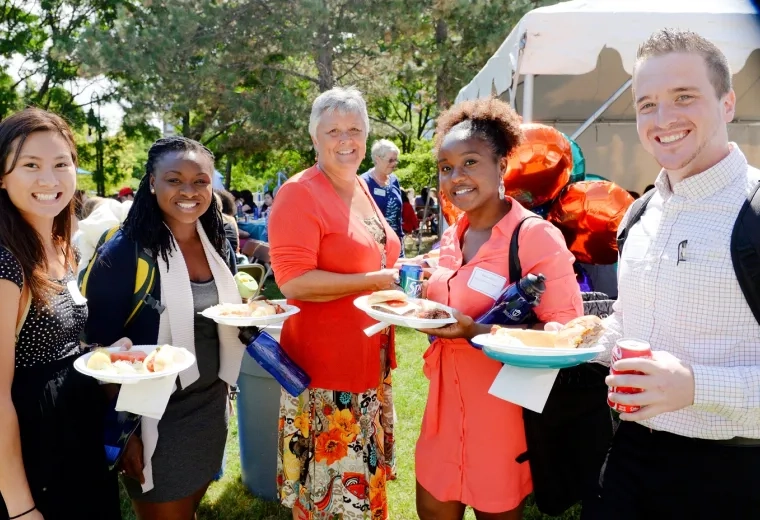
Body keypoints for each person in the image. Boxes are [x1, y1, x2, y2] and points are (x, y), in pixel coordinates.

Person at [588, 29, 760, 519]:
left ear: (727, 103)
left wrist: (694, 386)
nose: (662, 120)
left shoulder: (756, 211)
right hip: (629, 458)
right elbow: (630, 325)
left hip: (735, 476)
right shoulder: (638, 215)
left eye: (684, 97)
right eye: (647, 104)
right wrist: (581, 340)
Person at [413, 98, 583, 520]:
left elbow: (567, 335)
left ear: (502, 165)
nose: (456, 177)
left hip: (502, 418)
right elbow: (442, 301)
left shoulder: (534, 237)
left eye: (470, 162)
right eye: (446, 167)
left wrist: (477, 333)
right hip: (441, 415)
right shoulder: (453, 237)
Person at [83, 137, 245, 520]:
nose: (189, 191)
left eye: (200, 181)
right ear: (152, 182)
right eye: (175, 180)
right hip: (152, 415)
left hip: (210, 405)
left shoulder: (218, 243)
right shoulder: (124, 252)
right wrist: (125, 434)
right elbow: (100, 350)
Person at [268, 86, 401, 520]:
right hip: (326, 375)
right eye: (333, 130)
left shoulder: (361, 189)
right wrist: (374, 280)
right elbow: (293, 282)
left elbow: (377, 253)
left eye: (355, 129)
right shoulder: (300, 192)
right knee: (333, 500)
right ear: (315, 138)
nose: (346, 139)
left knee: (363, 491)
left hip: (369, 361)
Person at [0, 108, 127, 520]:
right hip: (35, 444)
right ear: (2, 176)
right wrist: (20, 508)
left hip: (75, 428)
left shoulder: (59, 244)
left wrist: (101, 354)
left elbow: (58, 339)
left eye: (61, 164)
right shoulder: (5, 264)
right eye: (30, 166)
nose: (49, 180)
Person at [361, 139, 404, 246]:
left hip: (396, 242)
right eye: (390, 160)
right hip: (373, 245)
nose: (394, 164)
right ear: (377, 159)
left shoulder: (394, 180)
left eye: (396, 160)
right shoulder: (364, 182)